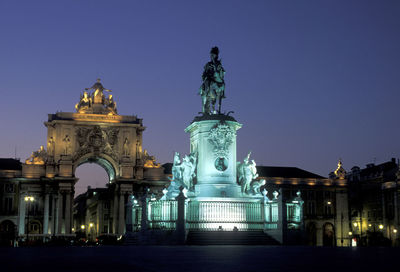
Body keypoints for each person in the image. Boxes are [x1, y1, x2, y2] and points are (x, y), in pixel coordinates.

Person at [199, 47, 226, 114]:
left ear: (216, 55)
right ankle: (207, 93)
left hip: (217, 78)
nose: (212, 56)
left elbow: (222, 71)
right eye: (211, 55)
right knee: (208, 83)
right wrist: (207, 75)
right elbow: (204, 73)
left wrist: (222, 72)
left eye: (213, 55)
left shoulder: (218, 63)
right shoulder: (208, 64)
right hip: (210, 79)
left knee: (223, 84)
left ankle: (222, 94)